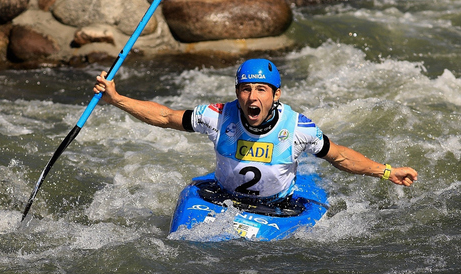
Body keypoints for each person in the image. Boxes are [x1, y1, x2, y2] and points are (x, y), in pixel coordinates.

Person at [93, 58, 418, 205]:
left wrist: (387, 171)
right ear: (238, 93)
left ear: (276, 95)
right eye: (246, 89)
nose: (253, 97)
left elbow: (341, 157)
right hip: (221, 195)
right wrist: (116, 99)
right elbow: (165, 117)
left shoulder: (298, 129)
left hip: (279, 203)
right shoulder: (217, 115)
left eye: (262, 90)